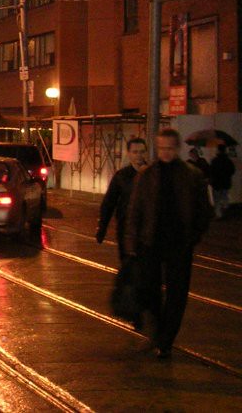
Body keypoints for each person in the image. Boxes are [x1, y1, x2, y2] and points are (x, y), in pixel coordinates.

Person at [124, 128, 212, 359]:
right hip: (150, 242)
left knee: (177, 294)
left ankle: (165, 341)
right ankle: (158, 331)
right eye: (162, 148)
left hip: (179, 244)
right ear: (157, 147)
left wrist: (193, 236)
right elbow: (135, 210)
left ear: (178, 148)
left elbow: (204, 211)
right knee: (149, 290)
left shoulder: (191, 176)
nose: (166, 152)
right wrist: (131, 242)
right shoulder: (147, 175)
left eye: (170, 148)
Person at [96, 137, 149, 265]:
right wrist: (102, 227)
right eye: (135, 152)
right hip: (126, 229)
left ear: (146, 153)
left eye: (141, 152)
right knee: (128, 265)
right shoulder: (121, 176)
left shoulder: (153, 174)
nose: (138, 156)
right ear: (128, 153)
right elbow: (109, 202)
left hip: (147, 229)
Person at [210, 145, 236, 219]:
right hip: (226, 182)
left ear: (218, 151)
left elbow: (212, 171)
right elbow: (232, 171)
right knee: (225, 197)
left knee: (217, 199)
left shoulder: (215, 160)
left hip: (217, 183)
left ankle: (219, 214)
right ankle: (225, 209)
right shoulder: (228, 161)